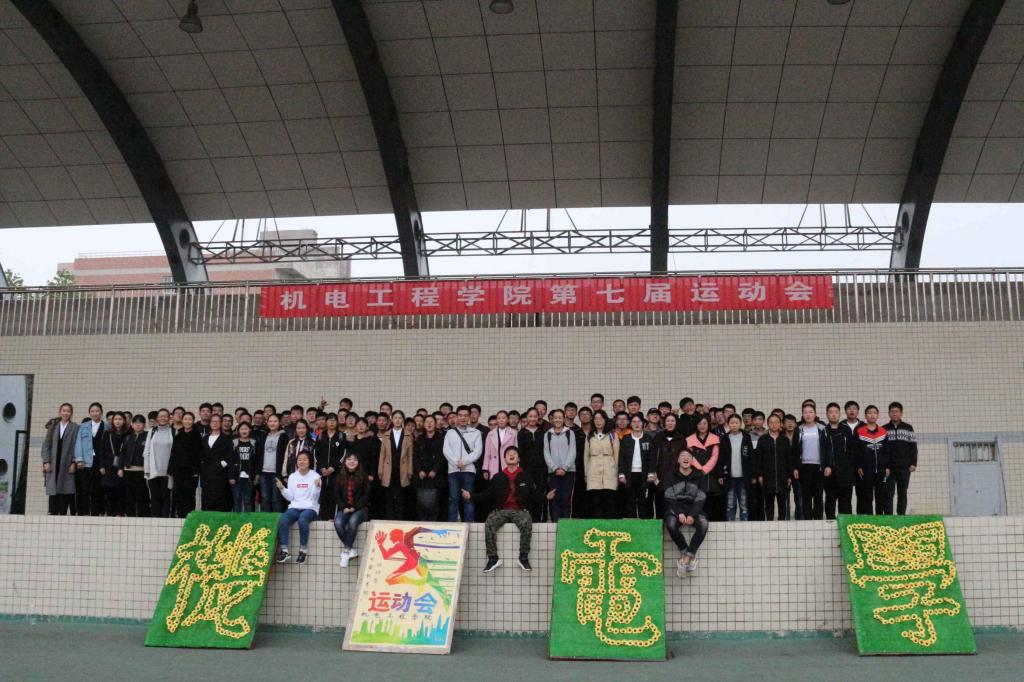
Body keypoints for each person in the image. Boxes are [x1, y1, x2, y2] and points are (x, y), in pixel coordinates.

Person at [462, 446, 547, 573]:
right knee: (490, 522)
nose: (511, 455)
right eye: (508, 454)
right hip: (501, 510)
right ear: (504, 458)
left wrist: (546, 497)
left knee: (526, 521)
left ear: (518, 458)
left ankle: (523, 557)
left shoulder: (525, 476)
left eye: (514, 454)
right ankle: (493, 558)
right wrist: (471, 496)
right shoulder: (498, 477)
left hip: (519, 510)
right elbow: (488, 494)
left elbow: (534, 494)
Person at [663, 449, 708, 577]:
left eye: (688, 456)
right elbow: (668, 496)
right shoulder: (671, 475)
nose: (685, 458)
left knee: (703, 524)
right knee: (671, 524)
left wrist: (692, 514)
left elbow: (701, 497)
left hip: (694, 509)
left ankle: (686, 557)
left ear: (692, 460)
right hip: (675, 509)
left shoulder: (699, 475)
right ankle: (686, 552)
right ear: (678, 460)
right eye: (682, 456)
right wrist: (679, 513)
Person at [276, 451, 321, 565]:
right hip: (295, 507)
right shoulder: (292, 477)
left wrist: (317, 487)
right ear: (296, 462)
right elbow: (290, 497)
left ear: (309, 461)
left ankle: (303, 551)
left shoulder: (315, 476)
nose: (302, 462)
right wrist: (282, 488)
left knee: (302, 519)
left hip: (310, 507)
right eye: (299, 459)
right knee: (283, 520)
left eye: (305, 459)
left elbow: (314, 498)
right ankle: (285, 551)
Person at [792, 404, 833, 521]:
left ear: (815, 414)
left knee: (818, 495)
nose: (808, 414)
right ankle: (808, 521)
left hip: (819, 467)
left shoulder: (822, 428)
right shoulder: (799, 429)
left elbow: (828, 448)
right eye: (805, 412)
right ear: (802, 415)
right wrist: (795, 468)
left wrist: (828, 465)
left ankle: (819, 519)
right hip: (804, 467)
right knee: (806, 496)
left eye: (810, 412)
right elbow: (794, 450)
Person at [443, 405, 483, 522]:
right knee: (453, 499)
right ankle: (452, 525)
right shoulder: (450, 433)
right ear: (457, 417)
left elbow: (477, 451)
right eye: (460, 415)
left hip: (469, 471)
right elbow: (446, 450)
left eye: (466, 415)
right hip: (453, 470)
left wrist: (464, 462)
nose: (463, 418)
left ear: (469, 417)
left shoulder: (476, 432)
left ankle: (469, 525)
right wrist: (456, 462)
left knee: (468, 499)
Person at [42, 403, 79, 515]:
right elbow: (46, 445)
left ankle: (62, 512)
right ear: (60, 412)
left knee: (66, 487)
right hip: (53, 462)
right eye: (64, 410)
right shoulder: (53, 426)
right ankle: (52, 511)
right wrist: (46, 461)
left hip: (67, 462)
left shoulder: (75, 427)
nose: (66, 413)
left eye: (68, 411)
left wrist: (74, 462)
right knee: (52, 488)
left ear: (71, 413)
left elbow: (77, 446)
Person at [334, 452, 370, 567]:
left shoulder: (363, 476)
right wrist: (344, 507)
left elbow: (366, 495)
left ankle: (346, 552)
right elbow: (336, 495)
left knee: (353, 521)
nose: (352, 462)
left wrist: (355, 507)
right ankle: (351, 550)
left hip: (360, 509)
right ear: (345, 462)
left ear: (358, 463)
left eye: (355, 460)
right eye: (349, 459)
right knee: (338, 523)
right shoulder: (339, 477)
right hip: (345, 508)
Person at [378, 410, 413, 520]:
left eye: (400, 418)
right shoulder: (386, 435)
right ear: (392, 420)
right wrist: (380, 471)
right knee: (388, 497)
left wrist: (410, 471)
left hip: (402, 470)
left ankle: (399, 520)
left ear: (403, 420)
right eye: (395, 418)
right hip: (388, 469)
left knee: (401, 497)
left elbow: (410, 456)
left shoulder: (408, 435)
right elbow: (382, 454)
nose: (397, 420)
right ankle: (389, 520)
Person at [584, 410, 619, 519]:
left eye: (601, 418)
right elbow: (586, 456)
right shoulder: (589, 436)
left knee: (609, 501)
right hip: (593, 472)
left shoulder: (613, 435)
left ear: (605, 420)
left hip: (609, 472)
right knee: (596, 502)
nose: (598, 421)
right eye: (596, 419)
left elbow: (617, 455)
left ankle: (609, 526)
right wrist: (586, 474)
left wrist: (616, 472)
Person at [686, 415, 722, 521]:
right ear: (696, 425)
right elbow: (689, 456)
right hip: (696, 473)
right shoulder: (689, 439)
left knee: (711, 499)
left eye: (705, 423)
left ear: (708, 425)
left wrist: (705, 469)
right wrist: (699, 468)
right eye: (700, 423)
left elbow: (715, 456)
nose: (702, 426)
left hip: (711, 474)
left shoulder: (715, 438)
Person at [74, 402, 107, 516]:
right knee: (84, 488)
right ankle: (84, 512)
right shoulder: (83, 426)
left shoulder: (107, 427)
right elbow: (78, 443)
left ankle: (95, 512)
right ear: (89, 413)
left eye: (97, 411)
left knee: (97, 489)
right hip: (85, 462)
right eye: (92, 411)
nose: (94, 413)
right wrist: (79, 459)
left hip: (100, 462)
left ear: (101, 412)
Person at [883, 402, 917, 516]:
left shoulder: (908, 428)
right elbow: (882, 450)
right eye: (892, 411)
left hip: (905, 467)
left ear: (901, 413)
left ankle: (901, 515)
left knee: (902, 492)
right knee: (888, 493)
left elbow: (913, 447)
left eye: (897, 411)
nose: (894, 414)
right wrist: (884, 466)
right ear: (889, 413)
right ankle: (889, 516)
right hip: (889, 468)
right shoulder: (883, 429)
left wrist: (913, 463)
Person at [755, 414, 791, 520]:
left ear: (780, 424)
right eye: (771, 422)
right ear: (767, 424)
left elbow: (789, 459)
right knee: (768, 503)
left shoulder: (785, 440)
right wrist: (760, 475)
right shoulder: (762, 440)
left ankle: (782, 523)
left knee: (782, 503)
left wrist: (789, 476)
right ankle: (769, 523)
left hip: (782, 477)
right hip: (767, 477)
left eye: (776, 422)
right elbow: (758, 459)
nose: (774, 425)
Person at [543, 409, 576, 521]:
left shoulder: (570, 433)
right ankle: (555, 524)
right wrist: (555, 468)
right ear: (552, 419)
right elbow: (546, 453)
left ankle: (566, 525)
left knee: (566, 499)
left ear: (564, 419)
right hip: (553, 472)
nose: (557, 420)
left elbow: (572, 451)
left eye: (560, 417)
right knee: (555, 499)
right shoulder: (547, 434)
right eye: (555, 418)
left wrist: (565, 468)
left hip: (569, 472)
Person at [855, 406, 889, 515]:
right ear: (865, 415)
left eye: (874, 413)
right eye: (869, 413)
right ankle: (869, 520)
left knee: (880, 497)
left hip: (881, 470)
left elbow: (887, 451)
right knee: (867, 497)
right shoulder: (859, 431)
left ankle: (879, 520)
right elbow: (856, 451)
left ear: (877, 415)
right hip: (866, 470)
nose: (872, 415)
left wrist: (887, 467)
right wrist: (859, 466)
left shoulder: (883, 432)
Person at [824, 403, 856, 518]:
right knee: (830, 500)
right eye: (831, 412)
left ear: (839, 414)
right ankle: (830, 522)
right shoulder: (824, 431)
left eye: (836, 412)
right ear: (827, 414)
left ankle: (846, 523)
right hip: (830, 472)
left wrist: (851, 468)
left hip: (846, 472)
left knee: (846, 501)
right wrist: (827, 465)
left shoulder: (846, 430)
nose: (833, 414)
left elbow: (852, 450)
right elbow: (823, 451)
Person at [719, 414, 753, 521]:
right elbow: (721, 458)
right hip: (729, 477)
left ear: (740, 423)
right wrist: (720, 475)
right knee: (730, 503)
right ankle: (730, 524)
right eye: (732, 423)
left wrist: (752, 475)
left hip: (744, 476)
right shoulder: (724, 438)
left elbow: (751, 457)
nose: (734, 425)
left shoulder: (746, 437)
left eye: (736, 423)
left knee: (744, 503)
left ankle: (744, 524)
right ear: (728, 424)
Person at [168, 412, 202, 518]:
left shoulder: (197, 435)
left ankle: (189, 516)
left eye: (190, 419)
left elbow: (198, 455)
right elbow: (173, 452)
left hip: (191, 472)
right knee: (178, 494)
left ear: (193, 421)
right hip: (178, 471)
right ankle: (179, 515)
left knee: (189, 495)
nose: (187, 421)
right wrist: (171, 468)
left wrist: (196, 470)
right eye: (185, 419)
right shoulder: (179, 434)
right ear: (182, 421)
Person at [652, 413, 686, 519]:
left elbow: (685, 458)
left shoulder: (681, 439)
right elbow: (652, 457)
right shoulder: (658, 438)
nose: (670, 423)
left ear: (676, 423)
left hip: (676, 477)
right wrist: (653, 472)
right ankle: (660, 526)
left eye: (672, 421)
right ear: (664, 423)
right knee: (660, 503)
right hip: (660, 476)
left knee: (674, 503)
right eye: (668, 421)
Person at [517, 407, 547, 521]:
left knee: (539, 494)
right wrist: (522, 471)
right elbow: (520, 452)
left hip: (541, 469)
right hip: (526, 469)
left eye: (535, 416)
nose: (533, 418)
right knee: (527, 494)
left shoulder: (543, 432)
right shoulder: (521, 433)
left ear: (538, 417)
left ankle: (538, 520)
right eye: (530, 416)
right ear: (526, 418)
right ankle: (528, 521)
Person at [314, 414, 346, 521]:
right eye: (329, 420)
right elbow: (316, 454)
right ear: (326, 422)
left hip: (336, 473)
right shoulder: (320, 436)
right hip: (322, 473)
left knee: (334, 495)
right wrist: (322, 467)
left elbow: (343, 454)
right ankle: (323, 519)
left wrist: (333, 468)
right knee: (323, 496)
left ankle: (332, 518)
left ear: (337, 422)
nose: (332, 423)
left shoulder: (341, 436)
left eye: (334, 420)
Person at [413, 415, 445, 521]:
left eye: (432, 422)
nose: (429, 424)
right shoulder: (419, 439)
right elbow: (415, 457)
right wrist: (419, 470)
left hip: (436, 476)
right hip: (422, 476)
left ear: (435, 424)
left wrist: (435, 470)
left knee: (434, 503)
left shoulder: (440, 438)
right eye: (427, 422)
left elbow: (441, 457)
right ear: (424, 424)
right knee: (421, 503)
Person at [143, 408, 174, 517]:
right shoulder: (152, 431)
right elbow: (146, 450)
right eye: (160, 416)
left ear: (169, 417)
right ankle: (155, 520)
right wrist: (147, 469)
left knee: (166, 497)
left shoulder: (173, 431)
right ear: (157, 418)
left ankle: (165, 520)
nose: (163, 418)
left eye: (165, 416)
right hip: (153, 471)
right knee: (155, 497)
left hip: (168, 472)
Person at [200, 414, 233, 512]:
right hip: (207, 474)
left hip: (221, 474)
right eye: (213, 421)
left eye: (217, 421)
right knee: (207, 499)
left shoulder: (226, 439)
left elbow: (230, 456)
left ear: (221, 423)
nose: (214, 423)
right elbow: (201, 454)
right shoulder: (205, 438)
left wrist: (222, 464)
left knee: (221, 499)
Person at [257, 413, 287, 513]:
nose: (272, 423)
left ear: (279, 423)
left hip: (277, 472)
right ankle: (266, 520)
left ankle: (277, 520)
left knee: (276, 498)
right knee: (265, 498)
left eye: (275, 421)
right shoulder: (263, 436)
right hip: (264, 472)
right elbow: (259, 454)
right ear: (267, 423)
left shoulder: (284, 437)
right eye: (270, 421)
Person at [97, 412, 126, 516]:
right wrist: (101, 465)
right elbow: (102, 451)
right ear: (112, 421)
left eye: (120, 419)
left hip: (123, 467)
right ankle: (110, 514)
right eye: (116, 419)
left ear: (124, 421)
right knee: (109, 491)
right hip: (109, 466)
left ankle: (120, 513)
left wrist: (122, 467)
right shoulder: (107, 433)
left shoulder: (128, 433)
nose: (118, 421)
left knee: (121, 491)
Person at [229, 422, 258, 512]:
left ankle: (247, 519)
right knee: (237, 499)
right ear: (238, 431)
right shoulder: (234, 442)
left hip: (250, 477)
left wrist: (256, 476)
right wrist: (231, 476)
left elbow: (257, 460)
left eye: (246, 429)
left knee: (248, 500)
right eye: (242, 429)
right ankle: (237, 519)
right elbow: (230, 460)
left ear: (249, 430)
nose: (244, 431)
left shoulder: (254, 443)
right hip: (236, 476)